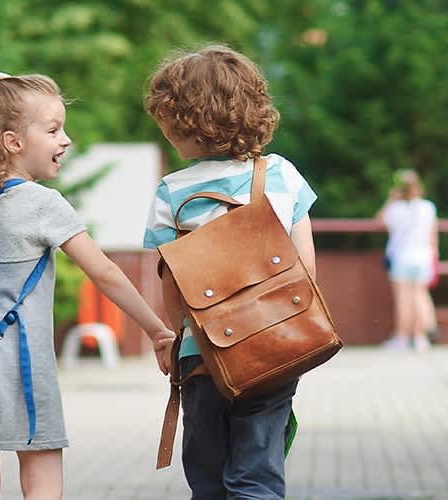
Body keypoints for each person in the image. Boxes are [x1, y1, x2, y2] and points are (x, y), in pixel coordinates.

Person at [0, 69, 176, 500]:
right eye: (53, 129)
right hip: (24, 368)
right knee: (43, 482)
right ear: (13, 142)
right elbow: (105, 273)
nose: (66, 140)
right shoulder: (42, 204)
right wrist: (157, 329)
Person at [143, 45, 317, 499]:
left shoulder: (171, 193)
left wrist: (175, 336)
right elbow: (306, 268)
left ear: (187, 122)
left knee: (209, 474)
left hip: (204, 355)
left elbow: (173, 284)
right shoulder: (282, 176)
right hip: (276, 345)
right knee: (257, 470)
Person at [376, 169, 439, 351]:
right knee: (419, 295)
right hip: (424, 256)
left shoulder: (395, 209)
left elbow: (379, 221)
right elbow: (433, 236)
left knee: (403, 298)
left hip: (402, 256)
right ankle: (420, 338)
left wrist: (390, 199)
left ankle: (402, 338)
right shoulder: (428, 207)